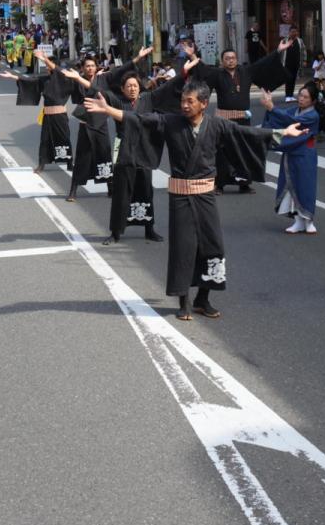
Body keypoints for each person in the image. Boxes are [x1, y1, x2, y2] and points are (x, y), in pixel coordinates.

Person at [84, 80, 306, 321]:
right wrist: (109, 110)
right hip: (180, 195)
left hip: (205, 196)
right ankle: (184, 301)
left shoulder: (216, 125)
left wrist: (283, 133)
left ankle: (203, 298)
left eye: (190, 101)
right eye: (182, 101)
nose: (185, 105)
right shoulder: (171, 122)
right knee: (183, 248)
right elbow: (140, 120)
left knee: (213, 246)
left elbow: (247, 134)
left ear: (203, 103)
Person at [95, 48, 183, 245]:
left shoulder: (148, 99)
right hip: (122, 146)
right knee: (121, 189)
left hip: (144, 148)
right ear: (123, 88)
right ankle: (115, 232)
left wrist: (184, 71)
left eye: (135, 85)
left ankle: (149, 229)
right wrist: (134, 60)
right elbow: (98, 88)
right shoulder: (117, 100)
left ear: (140, 87)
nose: (132, 88)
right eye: (128, 86)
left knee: (145, 188)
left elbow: (170, 87)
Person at [189, 42, 288, 193]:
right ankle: (220, 184)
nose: (231, 60)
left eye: (233, 58)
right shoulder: (217, 74)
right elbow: (203, 70)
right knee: (222, 152)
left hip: (243, 119)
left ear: (237, 59)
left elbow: (263, 63)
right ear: (222, 61)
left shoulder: (246, 72)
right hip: (223, 119)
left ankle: (244, 184)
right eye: (227, 58)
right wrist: (192, 55)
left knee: (244, 150)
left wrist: (278, 50)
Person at [0, 50, 73, 173]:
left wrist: (44, 58)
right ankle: (41, 164)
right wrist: (13, 76)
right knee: (45, 140)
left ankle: (69, 163)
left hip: (60, 115)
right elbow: (30, 81)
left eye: (49, 65)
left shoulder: (64, 78)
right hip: (47, 115)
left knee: (64, 139)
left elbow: (57, 70)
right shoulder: (45, 79)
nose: (47, 67)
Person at [260, 84, 321, 234]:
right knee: (290, 186)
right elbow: (281, 120)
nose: (301, 98)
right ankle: (298, 221)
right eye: (300, 95)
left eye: (306, 97)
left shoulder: (313, 116)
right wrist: (270, 109)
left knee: (305, 187)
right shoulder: (294, 110)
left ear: (313, 101)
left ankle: (309, 220)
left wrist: (272, 108)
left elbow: (290, 120)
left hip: (305, 155)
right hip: (291, 154)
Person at [60, 54, 116, 202]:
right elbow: (76, 98)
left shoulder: (102, 80)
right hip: (85, 124)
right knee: (82, 158)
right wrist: (76, 78)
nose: (90, 68)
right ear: (83, 69)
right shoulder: (77, 81)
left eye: (92, 65)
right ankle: (73, 191)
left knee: (104, 155)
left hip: (101, 123)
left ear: (96, 67)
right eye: (87, 66)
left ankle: (111, 188)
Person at [279, 26, 306, 102]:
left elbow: (304, 51)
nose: (294, 33)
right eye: (292, 31)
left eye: (295, 31)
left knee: (293, 79)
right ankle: (287, 96)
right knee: (288, 79)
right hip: (287, 63)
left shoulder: (300, 41)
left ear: (297, 32)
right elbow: (280, 51)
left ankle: (291, 95)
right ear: (289, 32)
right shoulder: (284, 40)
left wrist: (304, 60)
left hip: (297, 63)